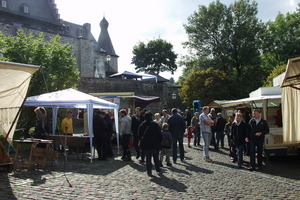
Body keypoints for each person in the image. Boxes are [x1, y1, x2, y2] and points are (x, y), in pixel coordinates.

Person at [138, 112, 162, 177]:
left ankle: (149, 171)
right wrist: (159, 143)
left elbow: (139, 135)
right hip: (154, 144)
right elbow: (159, 135)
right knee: (156, 157)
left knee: (148, 159)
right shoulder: (155, 125)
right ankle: (157, 168)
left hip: (146, 144)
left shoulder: (142, 125)